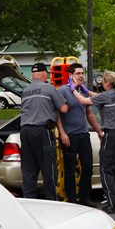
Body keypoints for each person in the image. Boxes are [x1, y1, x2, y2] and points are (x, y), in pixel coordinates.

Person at [72, 70, 115, 213]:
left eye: (102, 81)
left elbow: (84, 101)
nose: (101, 83)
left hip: (112, 136)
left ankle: (114, 203)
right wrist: (86, 91)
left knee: (106, 169)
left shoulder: (107, 96)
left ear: (107, 83)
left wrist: (73, 89)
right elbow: (99, 97)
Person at [20, 62, 69, 200]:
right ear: (43, 74)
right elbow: (64, 109)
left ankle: (29, 204)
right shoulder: (48, 88)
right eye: (46, 73)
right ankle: (52, 203)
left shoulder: (25, 91)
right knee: (49, 170)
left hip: (25, 132)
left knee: (29, 171)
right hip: (42, 132)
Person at [56, 63, 102, 207]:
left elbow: (89, 114)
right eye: (78, 73)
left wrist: (99, 131)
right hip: (70, 135)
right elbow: (57, 114)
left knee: (87, 167)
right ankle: (71, 199)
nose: (81, 76)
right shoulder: (63, 90)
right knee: (69, 168)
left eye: (82, 73)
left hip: (83, 134)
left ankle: (85, 197)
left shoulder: (83, 91)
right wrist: (62, 133)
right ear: (71, 75)